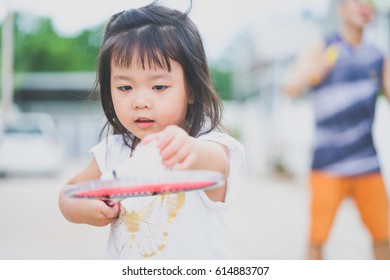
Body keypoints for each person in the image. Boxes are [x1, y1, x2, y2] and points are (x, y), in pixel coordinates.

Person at [58, 1, 246, 260]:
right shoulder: (114, 150)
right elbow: (68, 194)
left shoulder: (208, 145)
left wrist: (188, 148)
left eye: (158, 87)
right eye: (125, 88)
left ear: (190, 89)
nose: (140, 101)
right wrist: (83, 208)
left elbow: (218, 166)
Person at [282, 0, 390, 259]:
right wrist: (314, 71)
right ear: (341, 9)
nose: (363, 6)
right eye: (356, 2)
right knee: (317, 240)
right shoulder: (324, 46)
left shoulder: (378, 56)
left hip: (367, 162)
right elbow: (289, 87)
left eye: (369, 3)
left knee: (384, 237)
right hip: (327, 164)